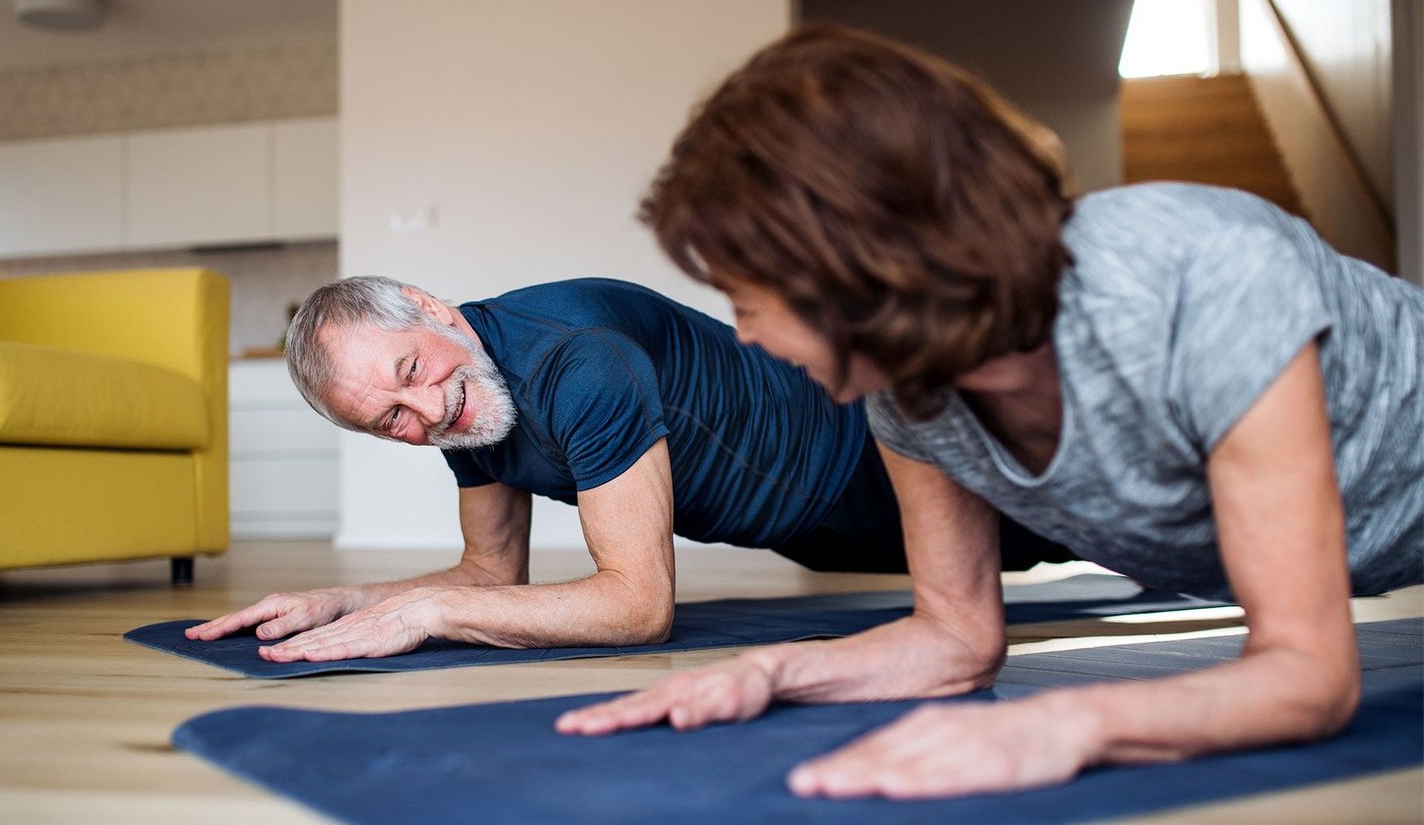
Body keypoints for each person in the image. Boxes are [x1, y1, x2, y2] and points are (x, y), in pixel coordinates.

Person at [556, 25, 1423, 800]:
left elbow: (1308, 674)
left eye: (748, 301)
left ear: (852, 264)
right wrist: (768, 671)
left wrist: (1059, 725)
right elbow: (955, 639)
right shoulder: (909, 400)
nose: (745, 337)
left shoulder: (1207, 277)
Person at [186, 276, 1069, 661]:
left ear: (429, 308)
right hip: (811, 528)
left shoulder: (576, 362)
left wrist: (432, 612)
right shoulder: (467, 404)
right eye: (391, 420)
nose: (425, 411)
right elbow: (490, 573)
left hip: (872, 463)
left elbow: (639, 606)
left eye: (410, 370)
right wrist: (346, 600)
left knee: (1089, 525)